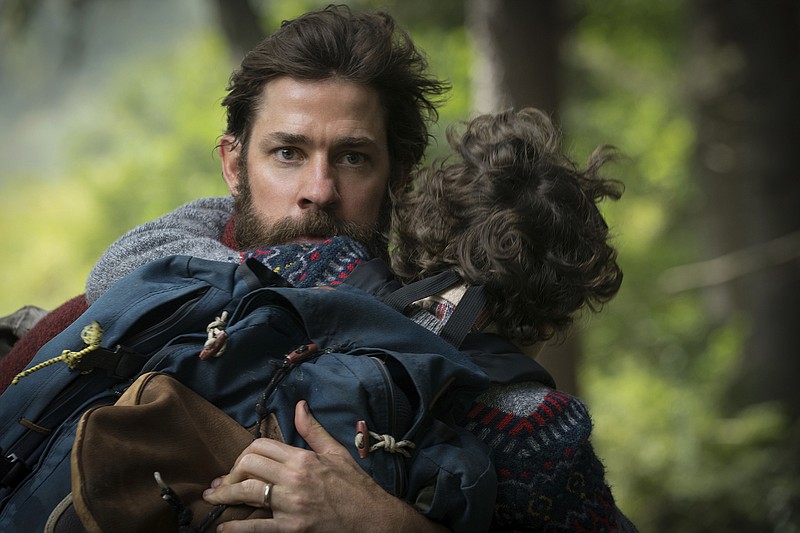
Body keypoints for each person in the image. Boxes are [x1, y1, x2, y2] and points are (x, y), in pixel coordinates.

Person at [0, 5, 637, 531]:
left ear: (401, 177)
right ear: (233, 163)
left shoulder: (469, 380)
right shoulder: (135, 300)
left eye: (354, 158)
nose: (319, 190)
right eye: (287, 152)